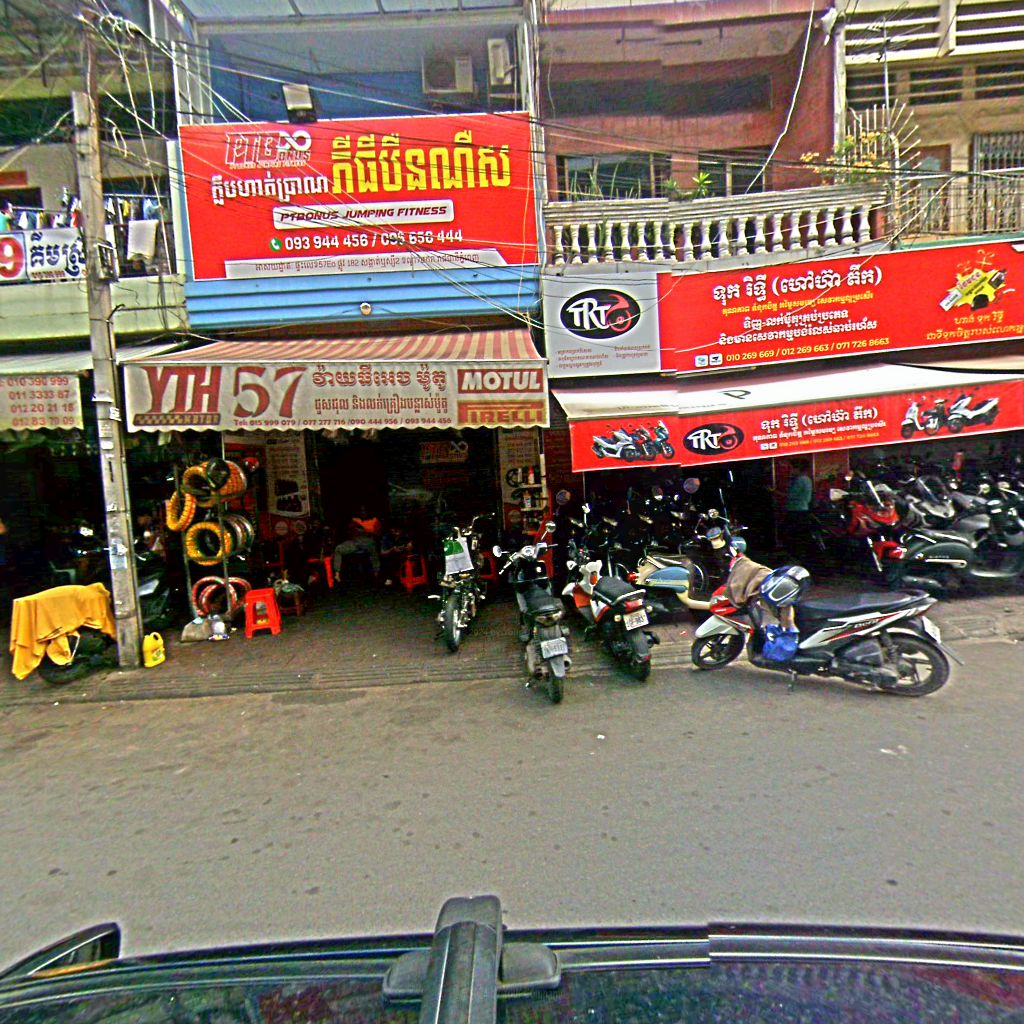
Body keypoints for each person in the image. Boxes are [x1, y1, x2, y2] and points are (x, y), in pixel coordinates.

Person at [333, 505, 383, 581]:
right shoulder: (355, 521)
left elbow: (379, 534)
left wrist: (367, 531)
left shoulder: (374, 521)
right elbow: (349, 532)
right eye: (361, 511)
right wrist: (354, 531)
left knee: (373, 548)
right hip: (355, 542)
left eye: (364, 511)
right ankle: (337, 574)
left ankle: (376, 573)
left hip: (368, 542)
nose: (363, 513)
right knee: (338, 549)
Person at [784, 458, 814, 559]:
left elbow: (791, 495)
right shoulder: (807, 479)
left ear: (797, 468)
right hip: (804, 509)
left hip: (796, 510)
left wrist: (775, 492)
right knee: (801, 535)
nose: (790, 470)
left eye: (792, 468)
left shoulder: (800, 480)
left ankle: (796, 555)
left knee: (794, 535)